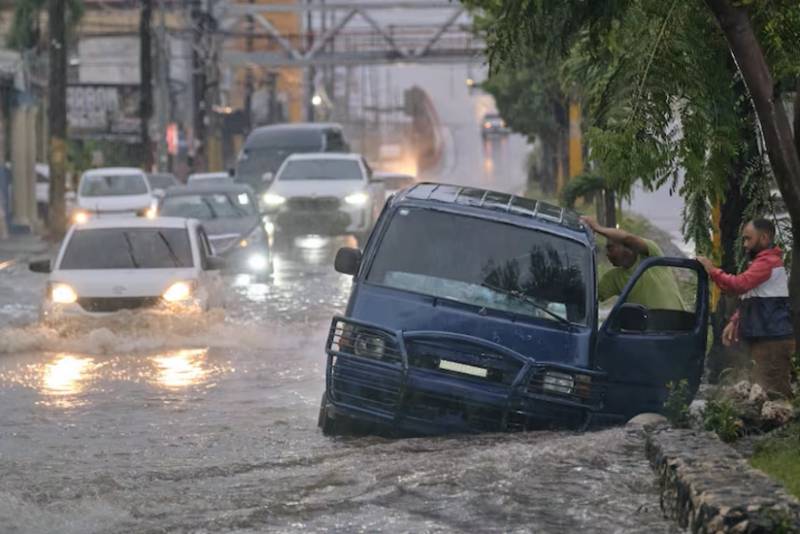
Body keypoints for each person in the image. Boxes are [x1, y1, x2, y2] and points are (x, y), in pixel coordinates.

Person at [697, 218, 794, 398]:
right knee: (764, 391)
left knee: (774, 394)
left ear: (764, 238)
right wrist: (735, 321)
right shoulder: (763, 263)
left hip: (771, 339)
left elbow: (738, 285)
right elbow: (753, 297)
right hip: (765, 338)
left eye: (748, 239)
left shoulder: (768, 263)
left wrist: (711, 270)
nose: (744, 244)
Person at [581, 216, 685, 311]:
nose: (607, 254)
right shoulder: (614, 277)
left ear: (625, 246)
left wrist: (598, 228)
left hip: (679, 327)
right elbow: (590, 296)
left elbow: (627, 238)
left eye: (610, 248)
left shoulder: (651, 254)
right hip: (650, 330)